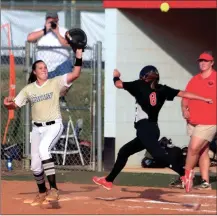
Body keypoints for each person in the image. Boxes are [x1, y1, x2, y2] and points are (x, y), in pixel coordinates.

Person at [92, 65, 213, 191]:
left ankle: (184, 174)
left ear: (144, 77)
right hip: (152, 129)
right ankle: (108, 180)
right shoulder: (162, 89)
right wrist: (204, 99)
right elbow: (184, 93)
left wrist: (115, 76)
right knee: (124, 152)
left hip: (145, 128)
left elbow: (118, 84)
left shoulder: (139, 85)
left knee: (158, 155)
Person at [3, 49, 83, 206]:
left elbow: (75, 74)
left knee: (44, 149)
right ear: (34, 72)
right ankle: (42, 192)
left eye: (45, 67)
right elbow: (14, 105)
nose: (44, 69)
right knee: (35, 166)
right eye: (40, 68)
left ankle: (54, 189)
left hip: (54, 125)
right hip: (37, 129)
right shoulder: (29, 89)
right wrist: (7, 105)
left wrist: (79, 56)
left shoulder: (55, 82)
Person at [172, 51, 216, 192]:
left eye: (206, 61)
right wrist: (184, 109)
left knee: (193, 148)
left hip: (209, 121)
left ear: (212, 63)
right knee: (202, 151)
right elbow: (185, 97)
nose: (202, 63)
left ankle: (186, 176)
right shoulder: (194, 79)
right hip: (193, 121)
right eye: (200, 61)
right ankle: (205, 182)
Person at [27, 11, 72, 106]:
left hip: (60, 67)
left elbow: (67, 44)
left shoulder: (63, 31)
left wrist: (57, 32)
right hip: (44, 69)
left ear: (57, 20)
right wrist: (45, 30)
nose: (51, 23)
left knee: (68, 68)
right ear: (46, 20)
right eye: (49, 20)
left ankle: (61, 96)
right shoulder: (40, 31)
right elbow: (30, 38)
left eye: (53, 21)